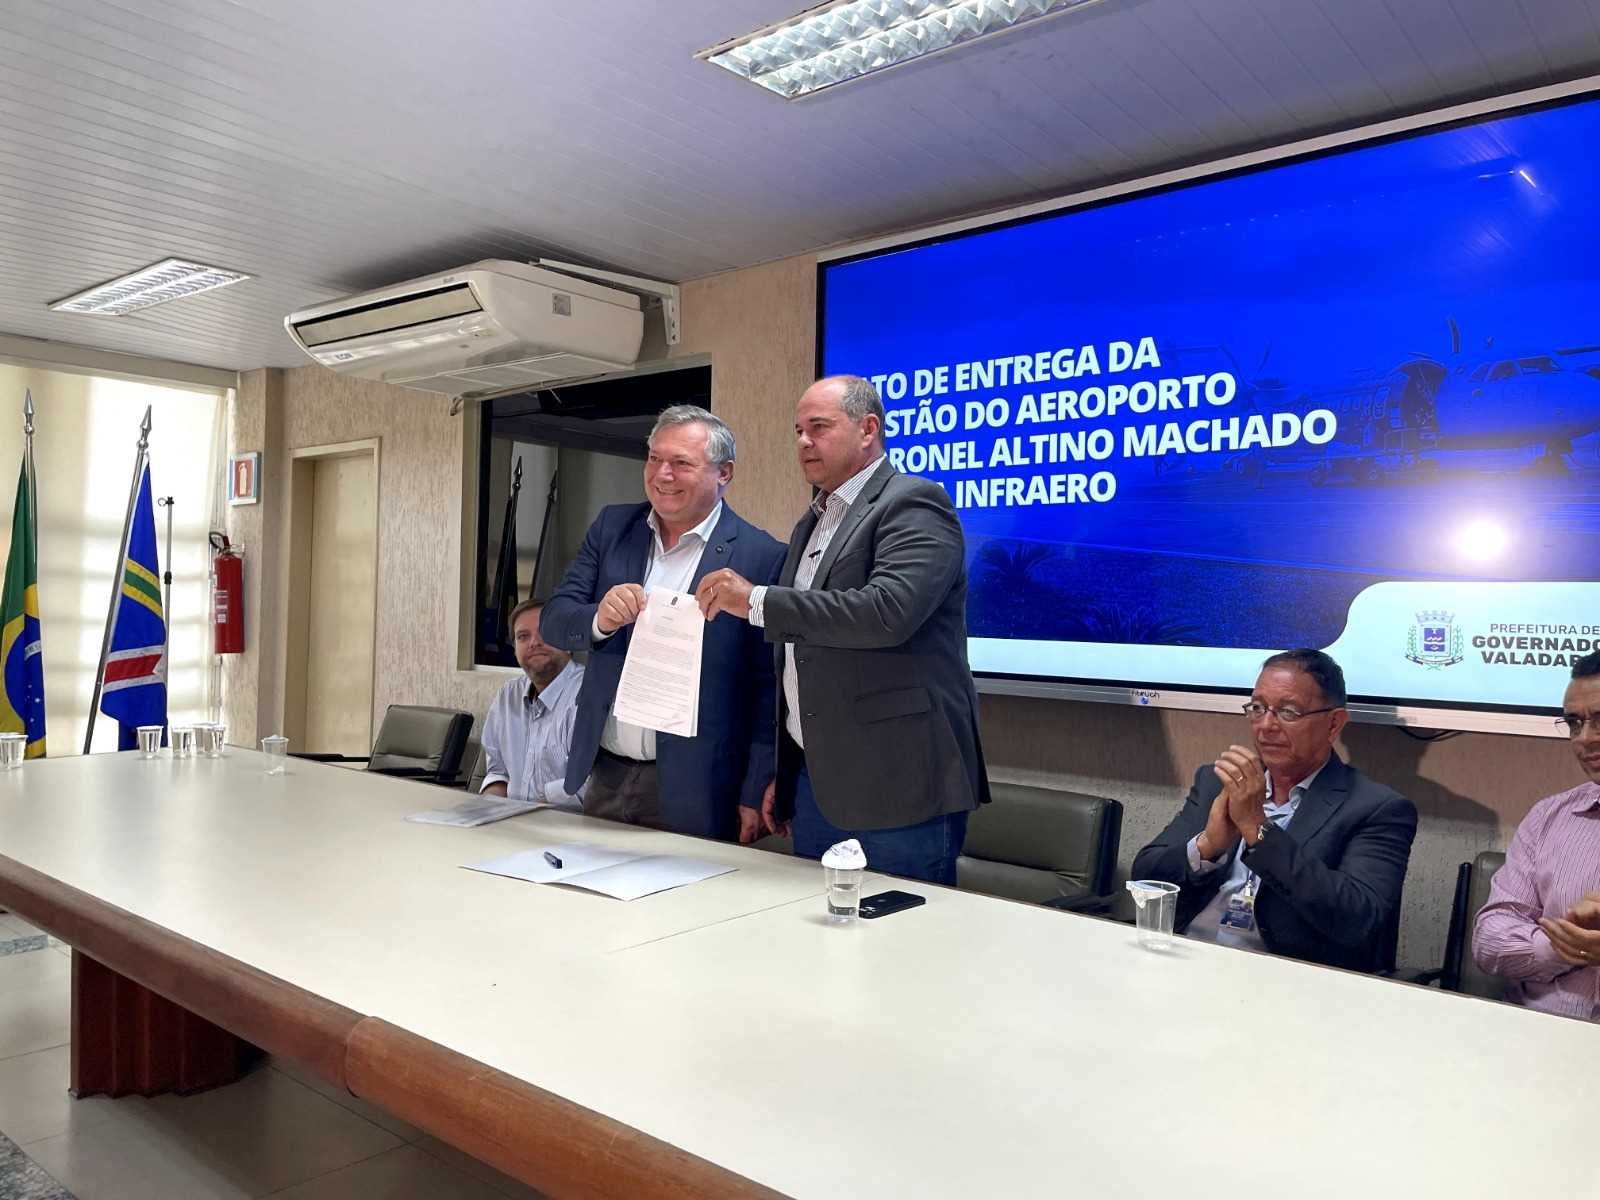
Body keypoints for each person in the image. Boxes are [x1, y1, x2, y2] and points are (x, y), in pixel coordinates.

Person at [696, 375, 988, 884]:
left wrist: (758, 600)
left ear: (868, 429)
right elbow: (803, 659)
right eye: (798, 431)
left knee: (903, 931)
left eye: (819, 427)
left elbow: (887, 612)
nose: (803, 441)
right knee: (817, 928)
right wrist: (787, 770)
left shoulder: (913, 503)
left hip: (896, 783)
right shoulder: (813, 521)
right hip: (818, 783)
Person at [541, 405, 784, 842]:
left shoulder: (761, 555)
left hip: (699, 786)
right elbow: (555, 620)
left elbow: (769, 686)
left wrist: (754, 787)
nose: (662, 474)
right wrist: (599, 618)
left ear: (724, 473)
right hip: (606, 774)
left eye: (681, 463)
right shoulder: (613, 528)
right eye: (654, 458)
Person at [1130, 649, 1417, 973]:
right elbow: (1145, 878)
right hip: (1187, 959)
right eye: (1257, 708)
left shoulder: (1376, 809)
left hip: (1287, 978)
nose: (1266, 726)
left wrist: (1259, 831)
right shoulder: (1218, 781)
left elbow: (1358, 920)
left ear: (1334, 723)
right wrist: (1208, 846)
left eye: (1288, 712)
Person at [1471, 651, 1600, 1021]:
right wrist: (1564, 946)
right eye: (1574, 723)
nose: (1585, 739)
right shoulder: (1548, 817)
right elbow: (1489, 940)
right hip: (1537, 1028)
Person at [479, 599, 584, 809]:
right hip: (513, 821)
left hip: (569, 824)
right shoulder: (508, 695)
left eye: (545, 632)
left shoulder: (589, 694)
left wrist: (526, 814)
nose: (534, 642)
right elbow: (498, 772)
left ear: (568, 642)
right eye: (522, 636)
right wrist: (487, 811)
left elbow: (593, 785)